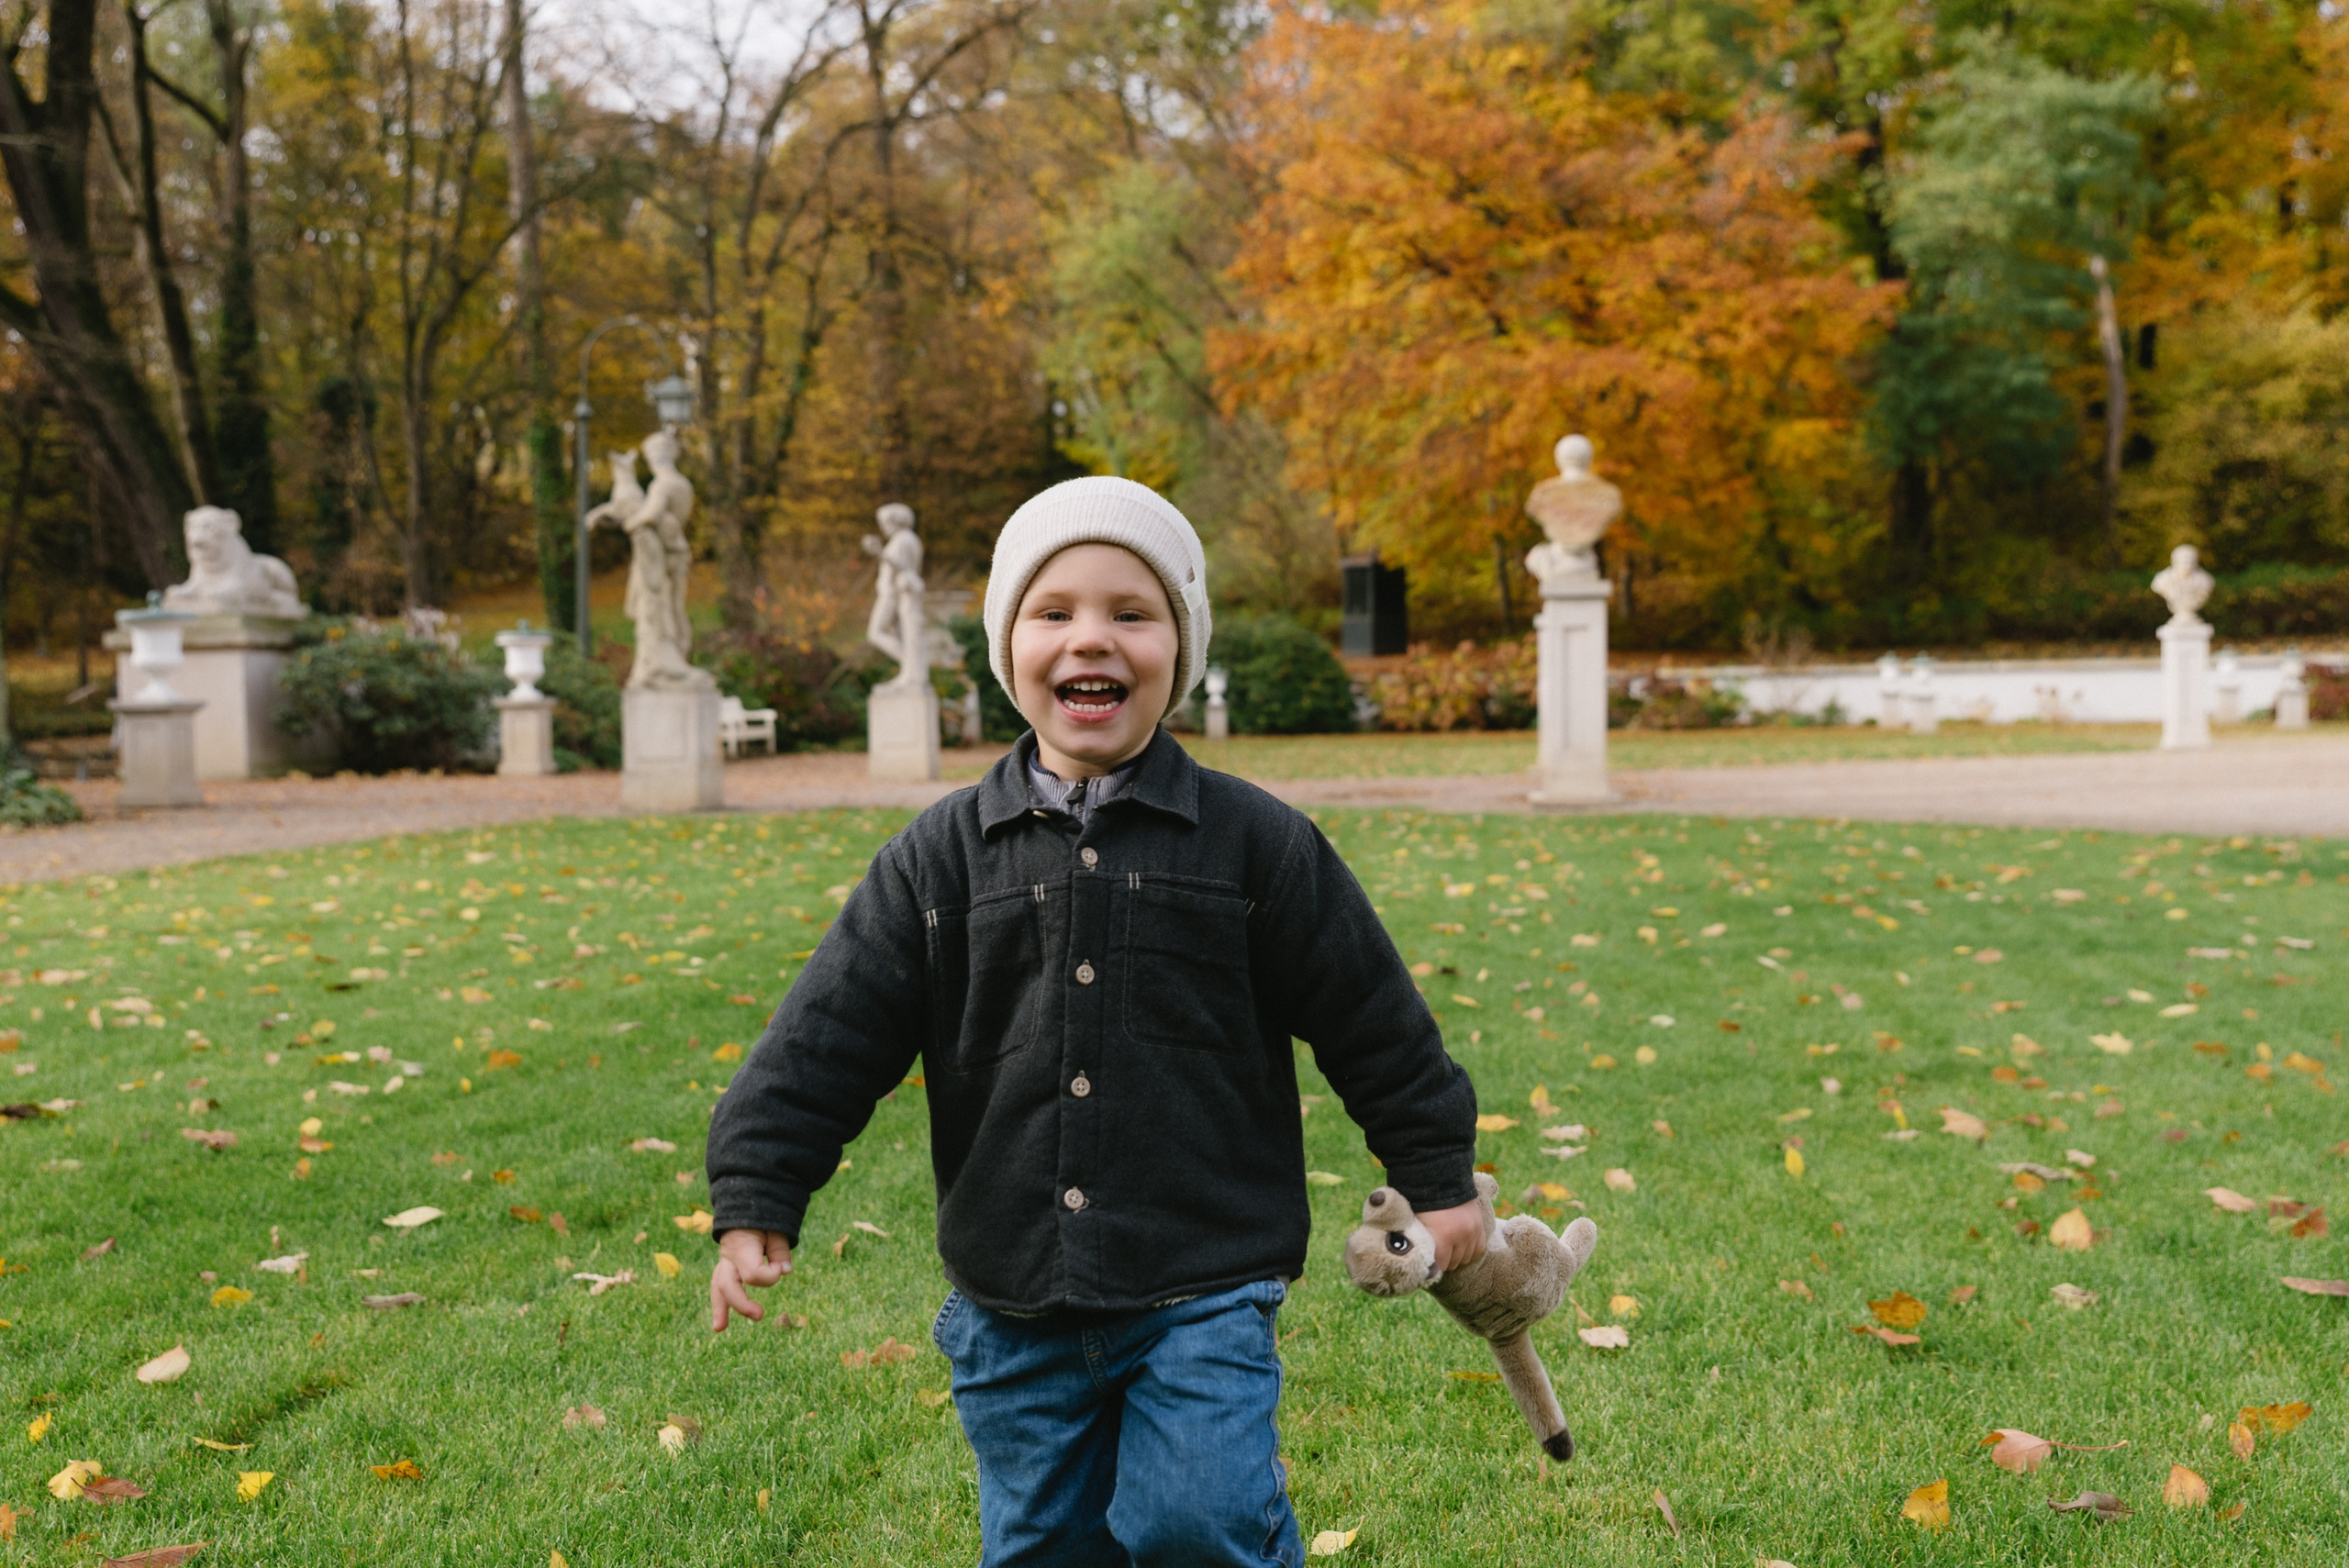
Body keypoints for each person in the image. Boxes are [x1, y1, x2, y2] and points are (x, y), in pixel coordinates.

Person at [705, 475, 1482, 1568]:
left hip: (1203, 1278)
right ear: (1007, 643)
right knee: (1042, 1546)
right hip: (1011, 1293)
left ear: (1180, 645)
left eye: (1132, 611)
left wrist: (1439, 1177)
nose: (1092, 638)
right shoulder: (938, 858)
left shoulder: (1257, 843)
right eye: (1054, 610)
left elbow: (1372, 1016)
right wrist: (757, 1185)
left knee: (1196, 1521)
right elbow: (829, 1029)